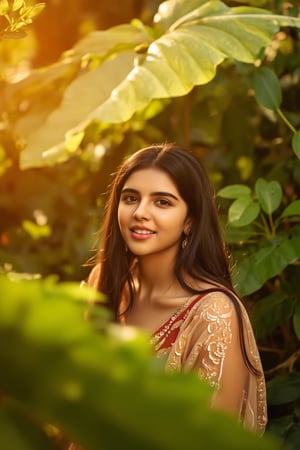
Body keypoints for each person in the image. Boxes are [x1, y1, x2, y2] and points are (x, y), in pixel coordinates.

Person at [86, 143, 267, 434]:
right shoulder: (104, 283)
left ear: (190, 221)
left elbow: (213, 439)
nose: (140, 212)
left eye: (162, 202)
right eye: (131, 198)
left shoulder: (212, 314)